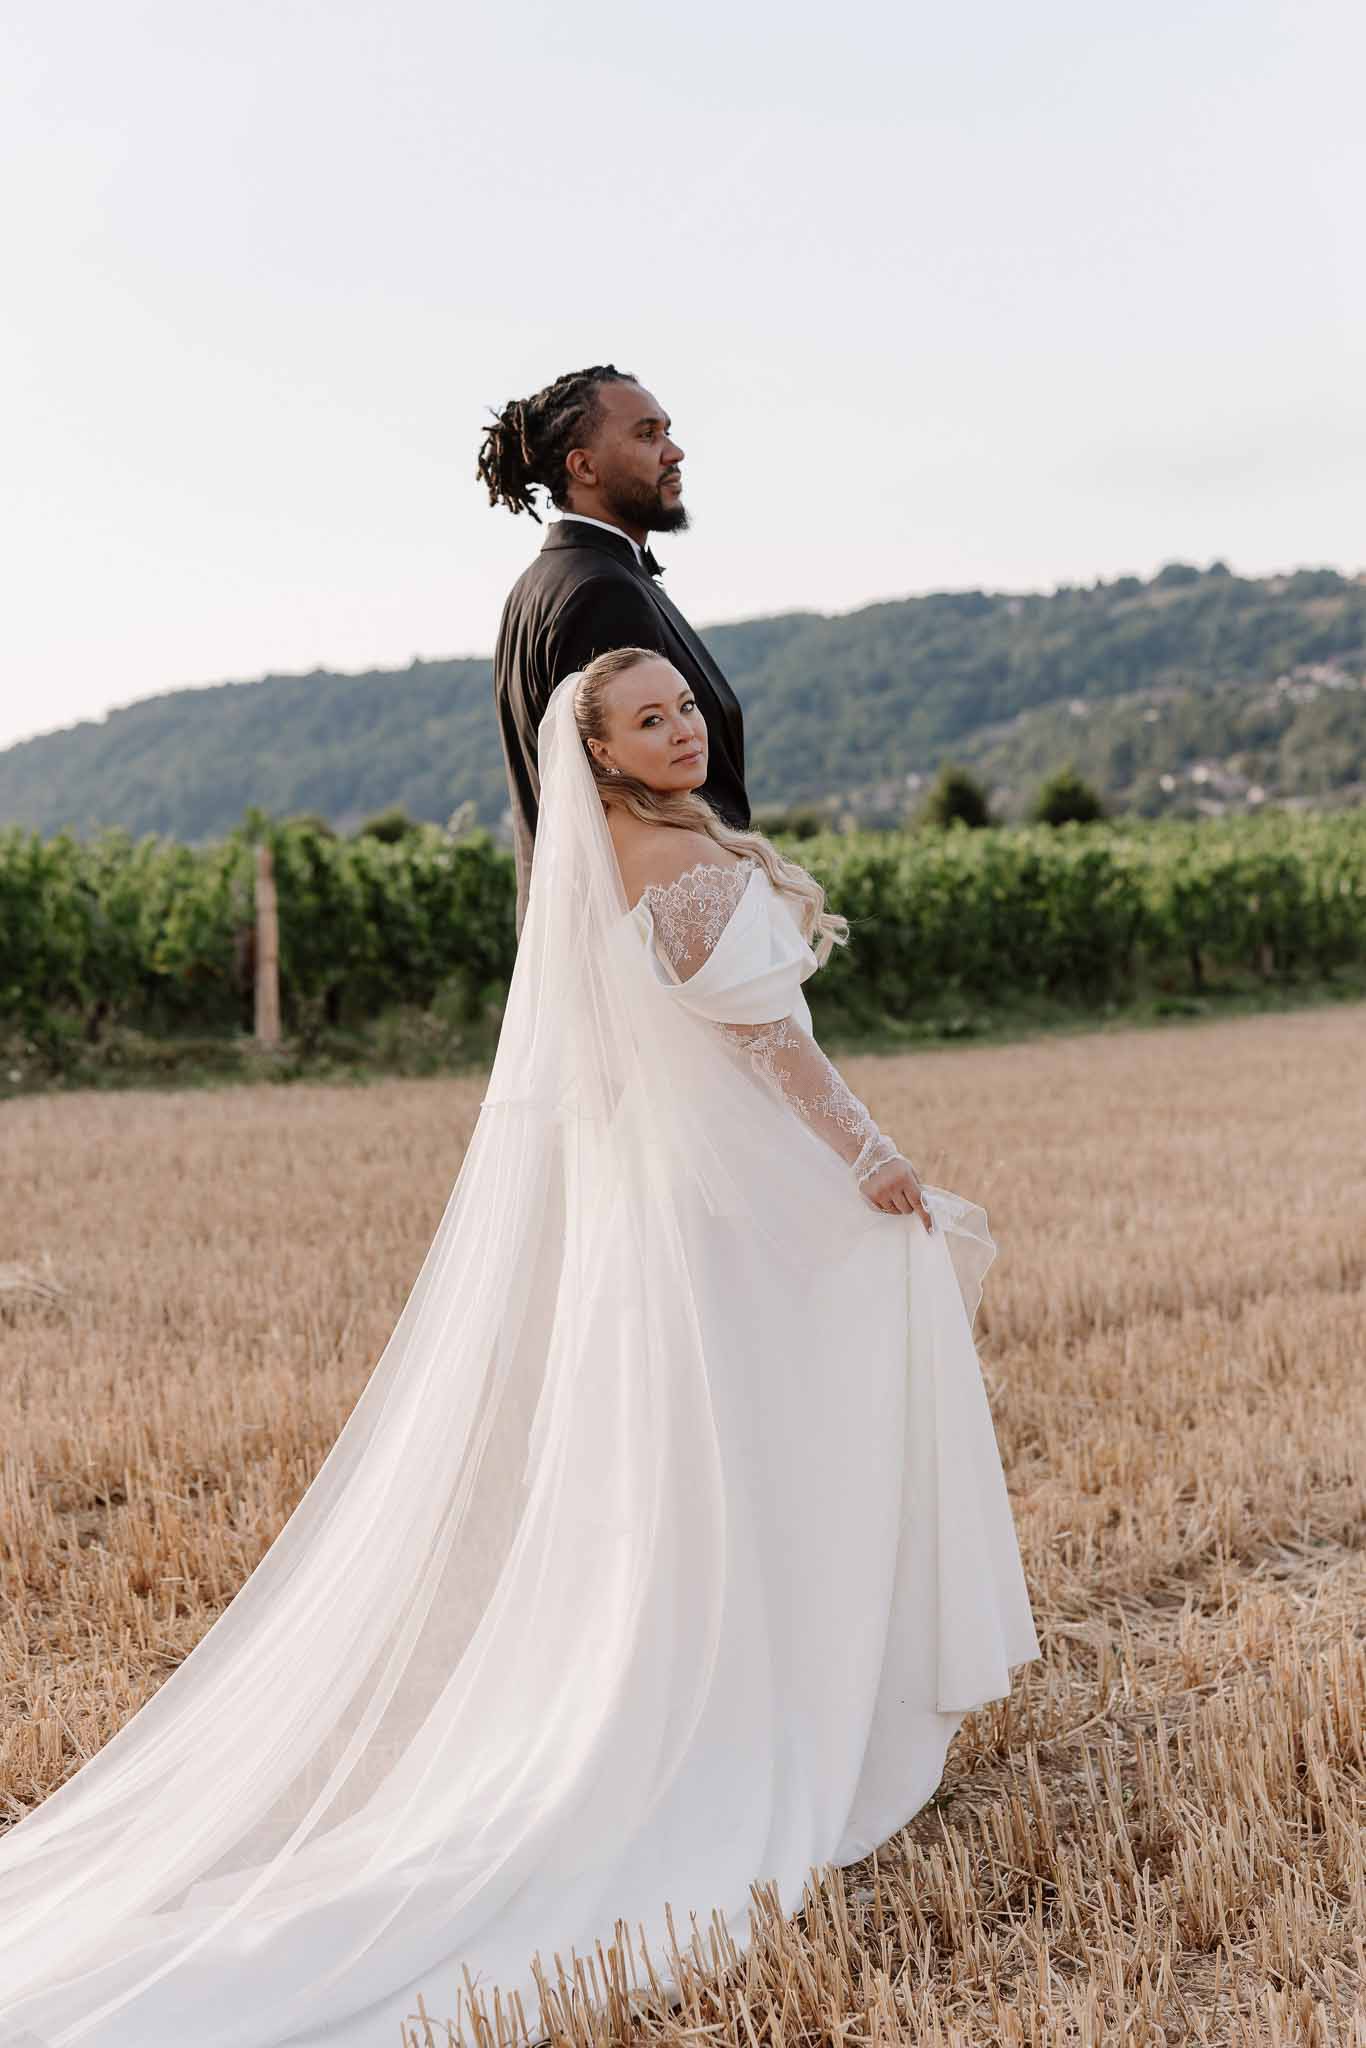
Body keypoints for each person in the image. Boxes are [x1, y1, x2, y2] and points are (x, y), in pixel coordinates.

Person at [0, 651, 1040, 2048]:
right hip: (738, 1205)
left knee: (706, 1470)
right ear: (598, 750)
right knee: (782, 1440)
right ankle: (769, 1720)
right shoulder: (676, 866)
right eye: (648, 721)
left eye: (684, 710)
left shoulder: (596, 864)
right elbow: (774, 1055)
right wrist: (877, 1163)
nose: (680, 731)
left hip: (663, 1207)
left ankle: (743, 1691)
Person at [481, 362, 750, 935]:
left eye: (668, 431)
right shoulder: (601, 594)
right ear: (584, 467)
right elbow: (630, 801)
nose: (673, 452)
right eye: (647, 434)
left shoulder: (544, 584)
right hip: (660, 953)